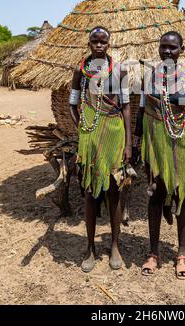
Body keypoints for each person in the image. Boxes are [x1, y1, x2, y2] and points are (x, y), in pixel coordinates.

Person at [132, 31, 185, 279]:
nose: (166, 51)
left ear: (182, 50)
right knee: (156, 194)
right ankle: (153, 253)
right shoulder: (149, 77)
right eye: (163, 47)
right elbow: (142, 112)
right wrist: (136, 143)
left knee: (184, 193)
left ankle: (182, 253)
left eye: (172, 48)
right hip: (155, 144)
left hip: (183, 142)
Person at [69, 26, 132, 272]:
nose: (98, 45)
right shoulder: (81, 71)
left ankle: (115, 245)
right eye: (94, 41)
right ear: (88, 42)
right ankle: (89, 248)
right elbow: (73, 104)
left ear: (109, 43)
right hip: (90, 140)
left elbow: (126, 106)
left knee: (115, 191)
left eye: (103, 41)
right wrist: (83, 130)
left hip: (115, 137)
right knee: (90, 193)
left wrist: (128, 143)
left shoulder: (119, 70)